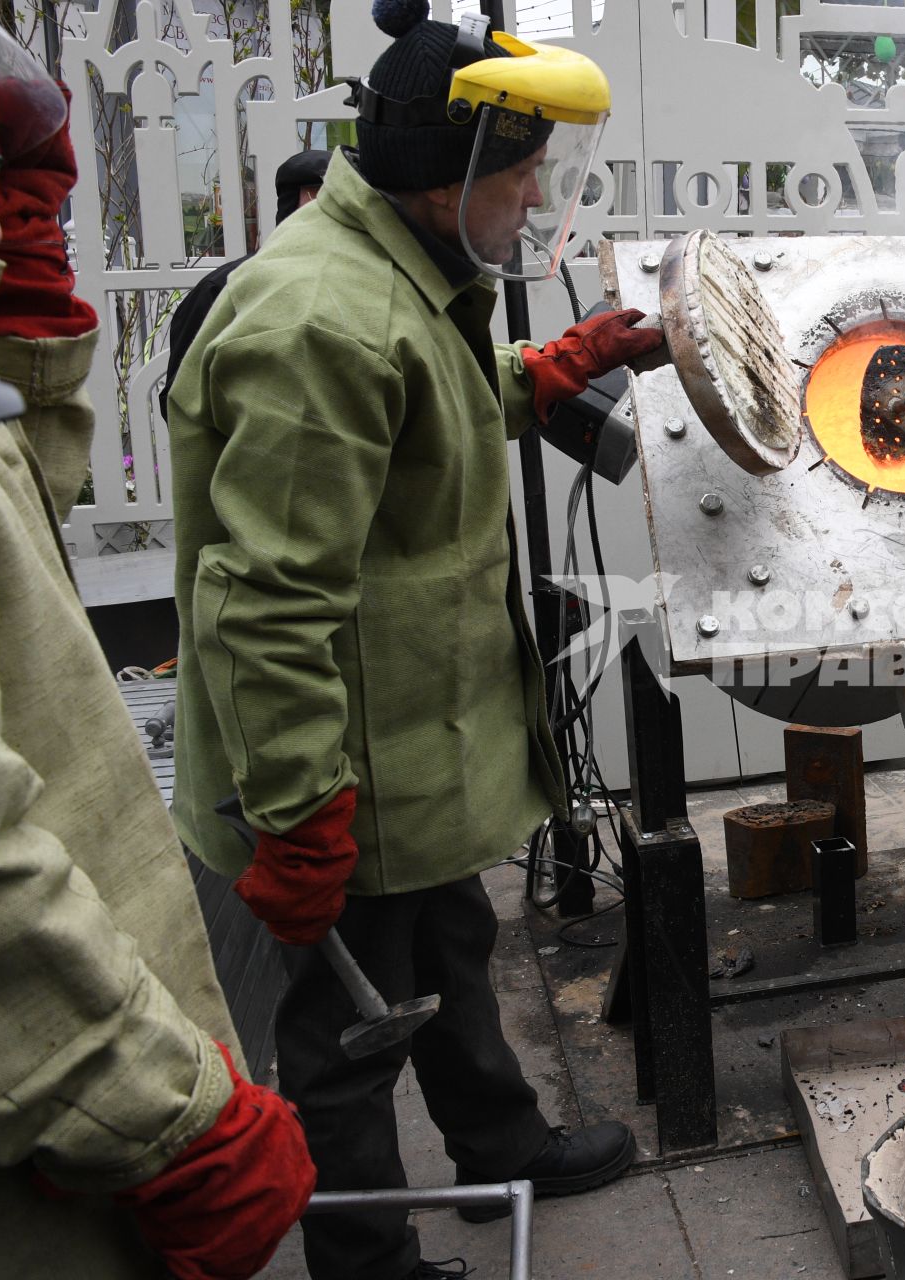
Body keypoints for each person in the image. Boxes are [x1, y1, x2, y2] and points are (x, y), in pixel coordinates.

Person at [166, 2, 663, 1277]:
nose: (538, 190)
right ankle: (369, 1257)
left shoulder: (403, 274)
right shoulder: (318, 322)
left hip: (414, 750)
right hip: (340, 769)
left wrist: (537, 377)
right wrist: (298, 810)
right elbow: (268, 598)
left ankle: (500, 1141)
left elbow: (418, 412)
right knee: (345, 1030)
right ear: (451, 180)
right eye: (525, 167)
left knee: (449, 949)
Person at [0, 12, 314, 1278]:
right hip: (40, 1148)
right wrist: (171, 1125)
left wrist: (23, 330)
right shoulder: (284, 315)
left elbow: (18, 513)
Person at [158, 146, 329, 415]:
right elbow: (181, 401)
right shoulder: (221, 290)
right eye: (317, 208)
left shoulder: (370, 287)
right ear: (289, 211)